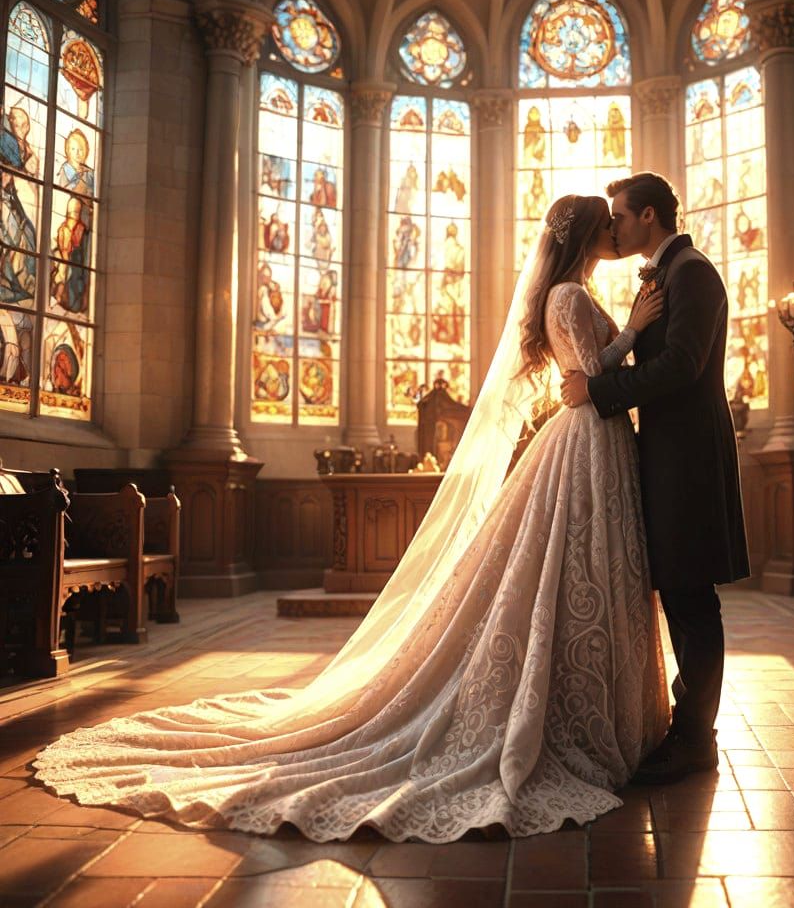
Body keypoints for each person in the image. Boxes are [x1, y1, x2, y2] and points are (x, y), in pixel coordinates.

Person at [33, 194, 670, 843]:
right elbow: (589, 377)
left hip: (597, 440)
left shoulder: (568, 291)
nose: (616, 230)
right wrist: (634, 331)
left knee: (588, 575)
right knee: (575, 572)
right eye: (608, 222)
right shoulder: (567, 296)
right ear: (589, 231)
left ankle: (603, 710)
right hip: (588, 437)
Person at [561, 171, 750, 784]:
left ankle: (696, 738)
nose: (612, 225)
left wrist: (598, 390)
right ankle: (688, 729)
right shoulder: (666, 274)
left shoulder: (691, 271)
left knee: (693, 598)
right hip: (668, 452)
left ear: (648, 216)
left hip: (689, 457)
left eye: (619, 214)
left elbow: (681, 365)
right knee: (682, 595)